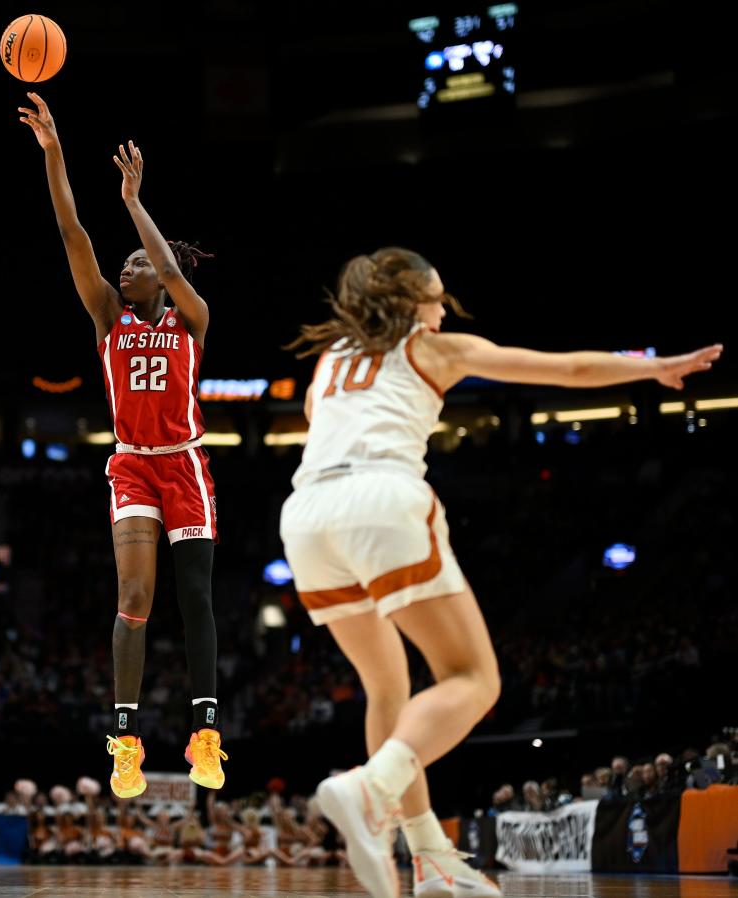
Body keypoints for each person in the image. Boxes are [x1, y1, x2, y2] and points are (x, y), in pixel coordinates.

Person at [280, 246, 722, 898]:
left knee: (388, 689)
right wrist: (653, 367)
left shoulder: (331, 359)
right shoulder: (431, 348)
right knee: (473, 679)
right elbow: (563, 368)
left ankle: (428, 854)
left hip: (304, 514)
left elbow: (326, 420)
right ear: (410, 305)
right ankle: (370, 789)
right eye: (434, 297)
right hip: (379, 498)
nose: (439, 307)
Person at [19, 90, 226, 799]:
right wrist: (54, 154)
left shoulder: (190, 317)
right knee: (133, 595)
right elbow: (72, 230)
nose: (125, 269)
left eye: (135, 263)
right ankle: (126, 739)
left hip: (186, 466)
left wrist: (136, 202)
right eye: (127, 264)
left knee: (193, 597)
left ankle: (205, 733)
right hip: (133, 466)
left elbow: (169, 269)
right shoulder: (108, 315)